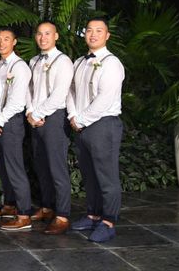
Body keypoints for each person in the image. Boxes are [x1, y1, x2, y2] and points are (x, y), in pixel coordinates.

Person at [67, 16, 124, 243]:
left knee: (107, 175)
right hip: (81, 124)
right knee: (89, 174)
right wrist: (73, 115)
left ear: (107, 35)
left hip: (103, 124)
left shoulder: (112, 63)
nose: (93, 34)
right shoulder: (79, 62)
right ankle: (93, 214)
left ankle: (108, 222)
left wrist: (81, 119)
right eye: (89, 30)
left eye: (98, 31)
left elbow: (105, 98)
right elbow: (70, 91)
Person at [26, 21, 74, 235]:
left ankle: (62, 215)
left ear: (56, 37)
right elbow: (29, 89)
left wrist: (38, 113)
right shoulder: (33, 60)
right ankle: (47, 207)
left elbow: (59, 93)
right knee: (41, 164)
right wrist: (30, 112)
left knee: (57, 167)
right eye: (39, 34)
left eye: (48, 34)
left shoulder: (63, 61)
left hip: (53, 118)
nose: (43, 38)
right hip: (35, 118)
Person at [0, 26, 33, 231]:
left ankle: (24, 215)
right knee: (2, 168)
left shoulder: (20, 67)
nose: (1, 43)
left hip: (11, 123)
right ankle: (9, 206)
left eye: (6, 39)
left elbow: (17, 102)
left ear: (14, 42)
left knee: (15, 168)